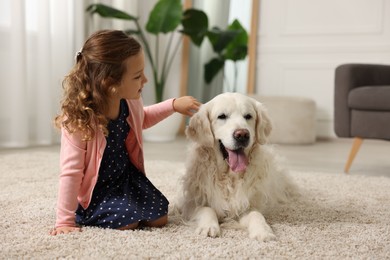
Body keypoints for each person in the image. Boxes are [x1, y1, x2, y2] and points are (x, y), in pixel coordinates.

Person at [50, 30, 200, 235]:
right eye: (138, 76)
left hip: (125, 179)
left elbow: (143, 119)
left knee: (160, 217)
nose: (145, 80)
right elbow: (71, 172)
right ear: (110, 84)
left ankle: (124, 203)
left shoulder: (130, 102)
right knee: (127, 223)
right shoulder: (79, 120)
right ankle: (83, 213)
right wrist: (64, 221)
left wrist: (173, 105)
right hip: (96, 191)